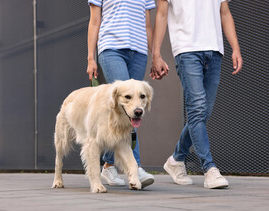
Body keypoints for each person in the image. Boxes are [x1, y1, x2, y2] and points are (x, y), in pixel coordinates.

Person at [151, 0, 243, 188]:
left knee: (202, 112)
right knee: (197, 108)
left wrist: (235, 47)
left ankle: (176, 160)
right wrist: (156, 54)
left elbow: (224, 12)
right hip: (187, 50)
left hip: (215, 50)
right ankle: (209, 168)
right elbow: (161, 14)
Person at [87, 0, 156, 188]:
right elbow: (94, 21)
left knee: (132, 109)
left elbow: (147, 25)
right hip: (111, 49)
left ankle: (109, 164)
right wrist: (91, 57)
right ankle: (136, 167)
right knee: (122, 107)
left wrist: (155, 55)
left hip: (139, 52)